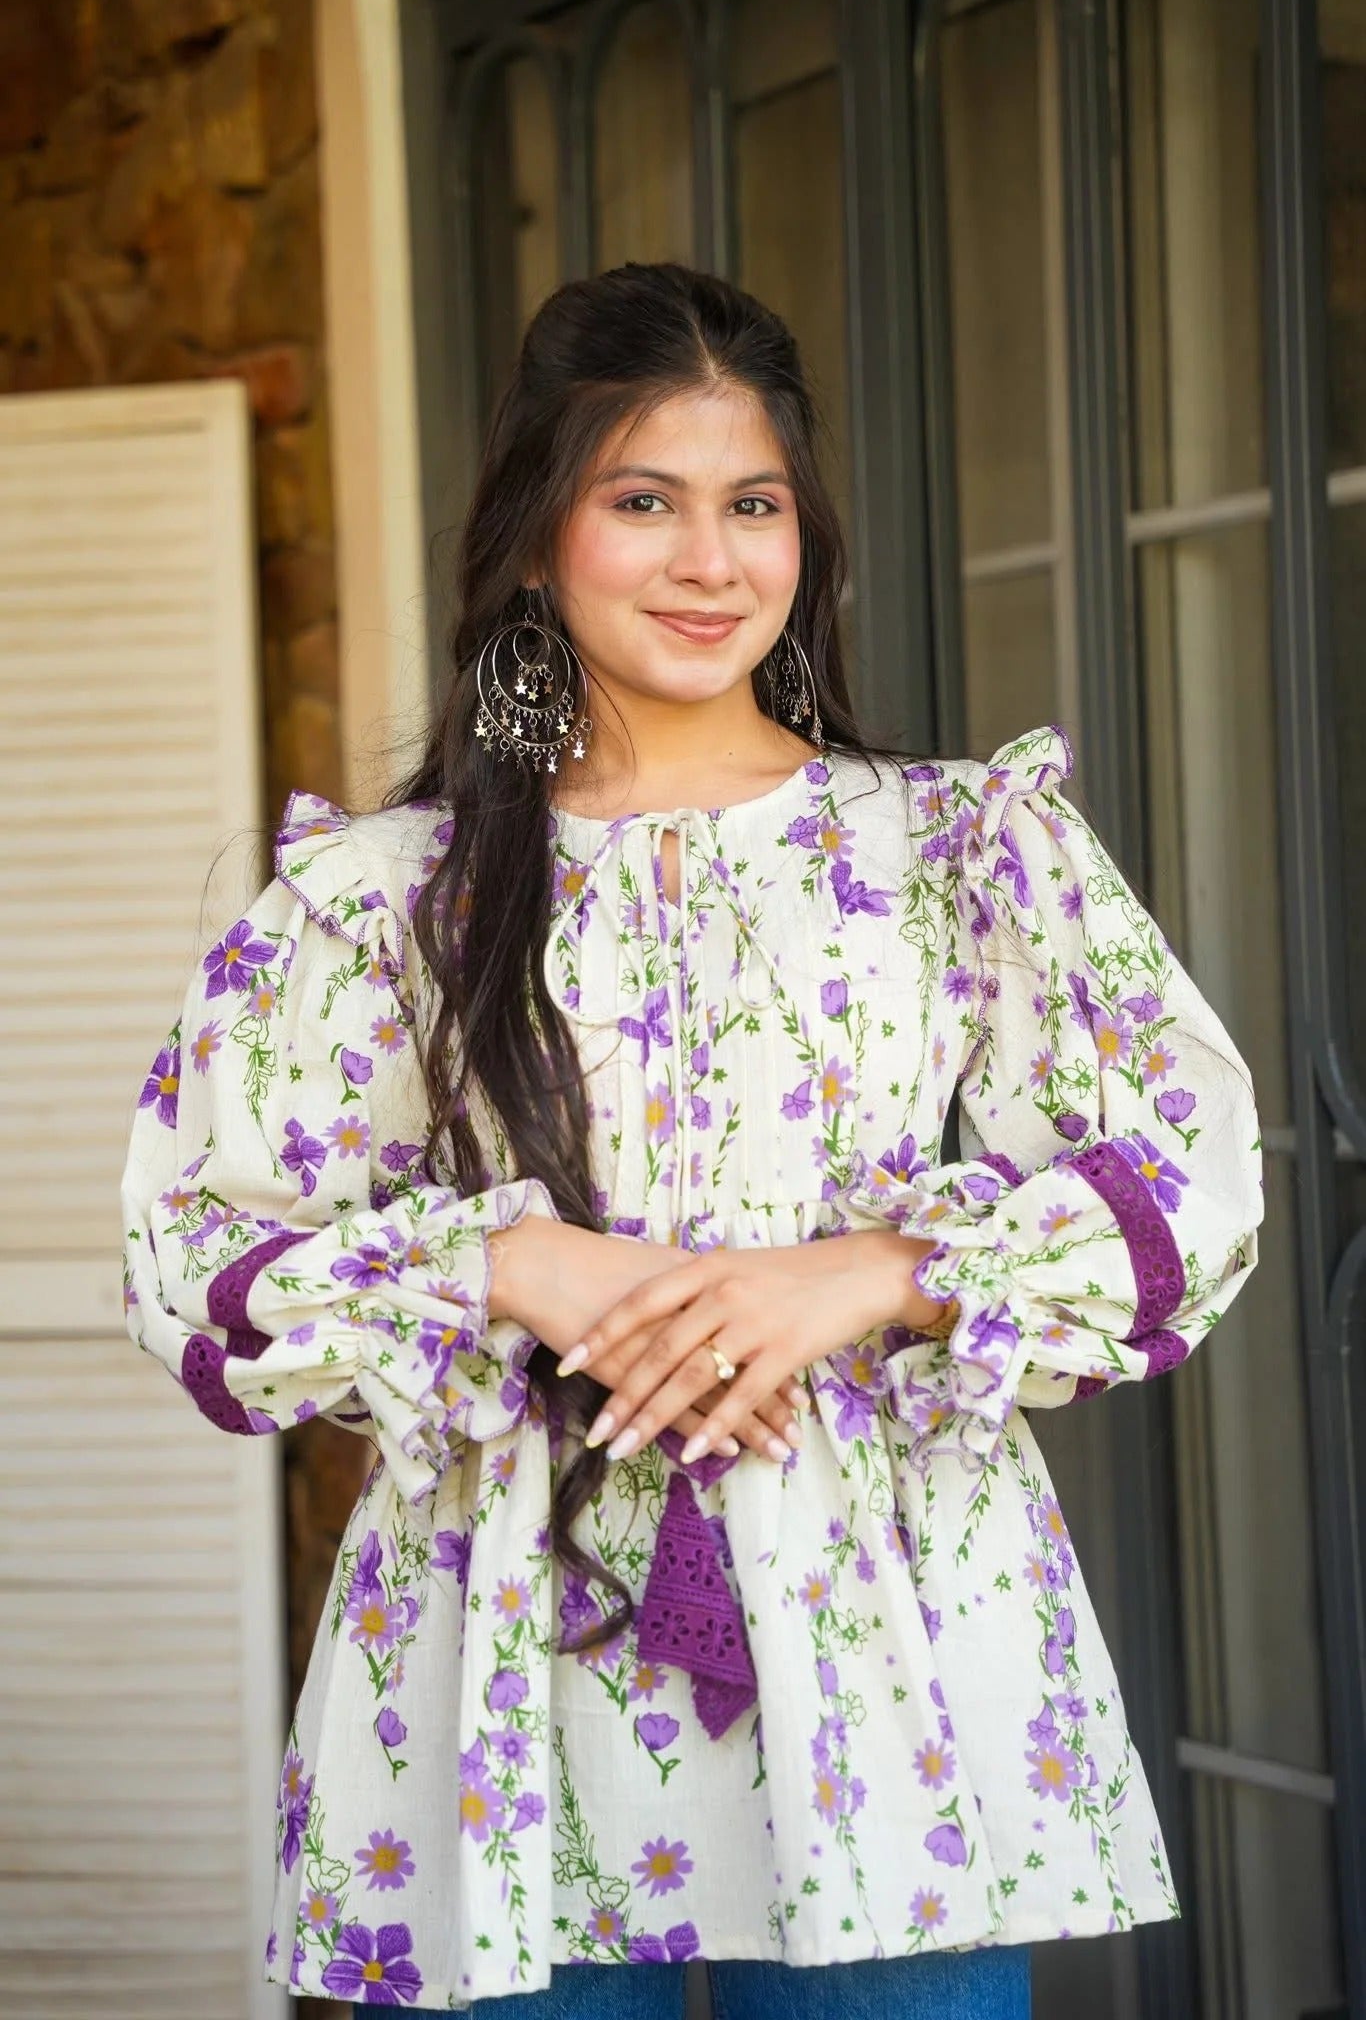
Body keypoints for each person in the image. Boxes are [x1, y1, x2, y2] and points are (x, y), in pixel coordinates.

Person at [121, 262, 1263, 2019]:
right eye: (638, 501)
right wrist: (514, 1262)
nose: (707, 560)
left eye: (754, 505)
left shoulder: (954, 850)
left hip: (888, 1637)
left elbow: (1193, 1172)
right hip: (500, 1643)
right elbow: (196, 1248)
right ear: (529, 536)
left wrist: (873, 1275)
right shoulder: (381, 898)